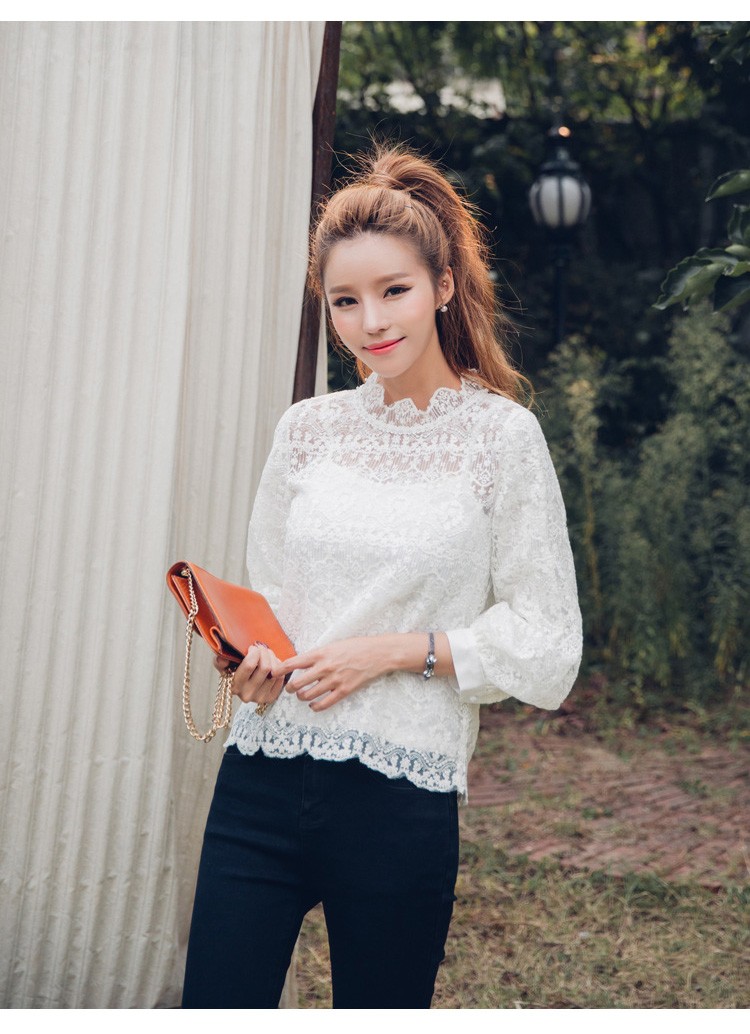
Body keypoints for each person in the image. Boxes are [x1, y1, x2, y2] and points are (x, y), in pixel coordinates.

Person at [181, 145, 582, 1009]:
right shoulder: (306, 430)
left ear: (443, 286)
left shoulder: (501, 438)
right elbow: (276, 602)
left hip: (400, 792)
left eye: (393, 290)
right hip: (262, 775)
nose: (371, 322)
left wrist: (397, 651)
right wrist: (251, 663)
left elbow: (549, 643)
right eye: (345, 301)